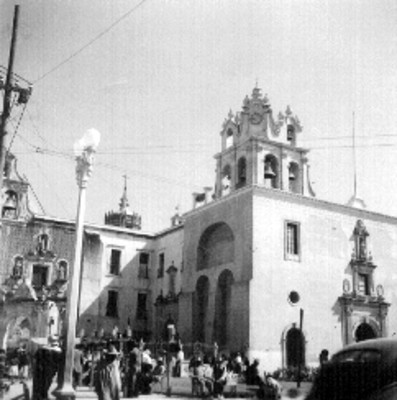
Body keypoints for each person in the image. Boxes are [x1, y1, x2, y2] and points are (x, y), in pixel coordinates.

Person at [32, 335, 62, 400]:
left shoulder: (41, 349)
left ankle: (40, 396)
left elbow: (35, 359)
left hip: (40, 370)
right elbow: (59, 362)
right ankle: (43, 396)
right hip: (50, 370)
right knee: (47, 383)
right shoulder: (59, 351)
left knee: (40, 383)